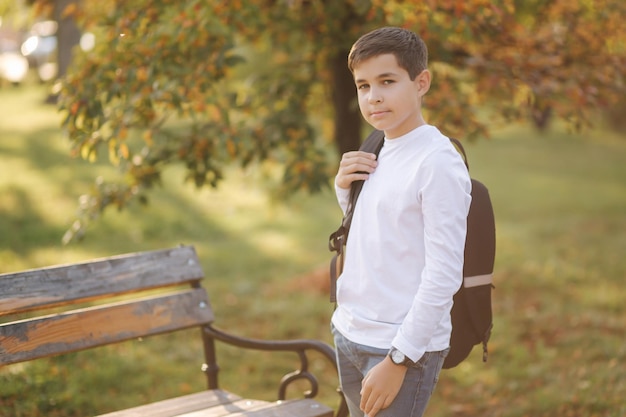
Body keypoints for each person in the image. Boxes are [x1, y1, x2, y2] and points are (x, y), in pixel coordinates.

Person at [331, 26, 472, 417]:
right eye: (363, 86)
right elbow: (378, 229)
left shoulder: (436, 162)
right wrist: (344, 189)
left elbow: (444, 274)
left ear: (421, 82)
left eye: (387, 81)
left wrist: (398, 360)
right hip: (350, 331)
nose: (373, 96)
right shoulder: (377, 144)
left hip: (397, 347)